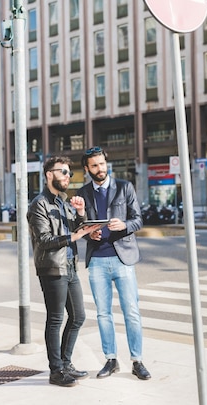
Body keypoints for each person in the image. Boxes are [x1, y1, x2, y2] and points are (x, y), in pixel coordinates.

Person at [76, 146, 151, 381]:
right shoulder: (83, 192)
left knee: (132, 311)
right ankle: (111, 359)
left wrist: (125, 226)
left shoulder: (125, 187)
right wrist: (90, 234)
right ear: (87, 169)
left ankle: (137, 361)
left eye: (102, 164)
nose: (100, 169)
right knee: (103, 314)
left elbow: (138, 220)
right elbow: (80, 225)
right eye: (95, 165)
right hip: (97, 259)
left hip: (123, 258)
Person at [28, 156, 101, 387]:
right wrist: (73, 236)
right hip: (51, 267)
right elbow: (44, 239)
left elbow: (78, 227)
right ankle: (56, 370)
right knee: (56, 319)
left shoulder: (63, 202)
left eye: (69, 173)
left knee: (78, 316)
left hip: (69, 266)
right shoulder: (39, 204)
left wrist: (80, 213)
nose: (68, 177)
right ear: (49, 174)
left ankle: (66, 363)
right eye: (63, 172)